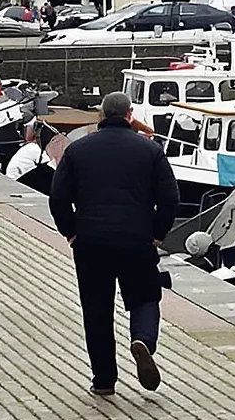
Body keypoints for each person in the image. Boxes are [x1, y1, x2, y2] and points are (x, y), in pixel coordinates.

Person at [49, 91, 178, 396]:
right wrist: (158, 233)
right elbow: (170, 199)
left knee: (97, 310)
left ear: (101, 116)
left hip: (91, 242)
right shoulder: (150, 151)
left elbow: (58, 198)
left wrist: (71, 231)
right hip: (138, 240)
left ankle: (104, 380)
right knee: (145, 297)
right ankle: (143, 340)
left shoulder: (77, 150)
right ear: (130, 115)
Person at [5, 120, 52, 193]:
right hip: (18, 182)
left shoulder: (29, 147)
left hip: (11, 179)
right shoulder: (36, 149)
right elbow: (52, 165)